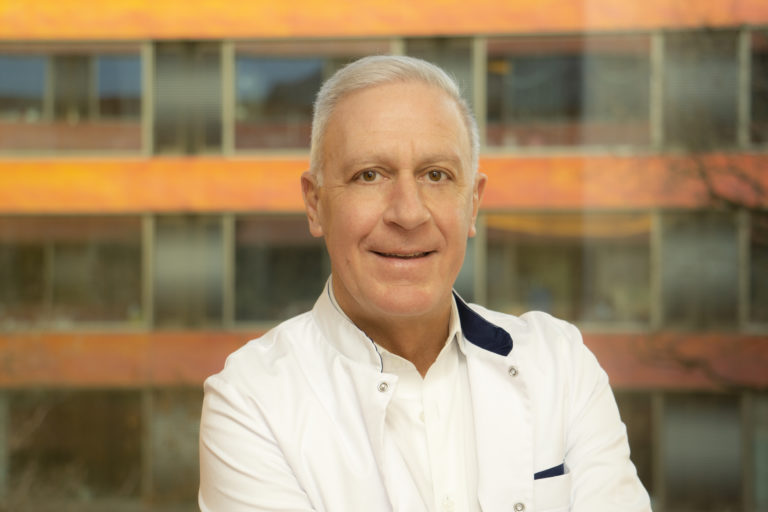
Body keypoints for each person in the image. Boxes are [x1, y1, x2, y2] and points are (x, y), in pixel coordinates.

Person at [199, 55, 651, 512]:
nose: (408, 213)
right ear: (315, 204)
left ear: (472, 204)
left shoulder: (561, 367)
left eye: (436, 175)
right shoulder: (251, 401)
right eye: (369, 175)